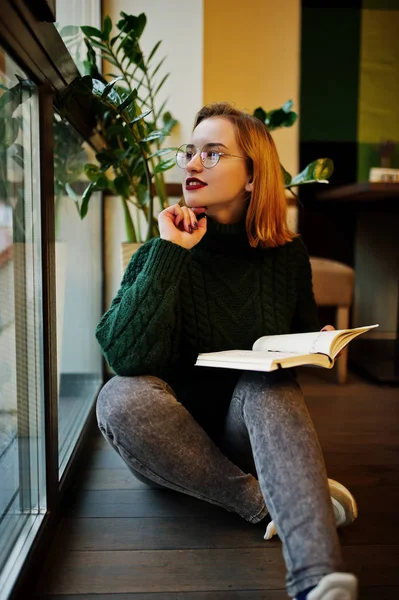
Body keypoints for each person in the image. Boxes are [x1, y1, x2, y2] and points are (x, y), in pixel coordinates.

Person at [95, 103, 358, 600]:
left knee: (272, 382)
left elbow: (297, 338)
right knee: (118, 398)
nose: (192, 164)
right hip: (169, 443)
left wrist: (318, 341)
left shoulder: (286, 256)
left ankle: (318, 580)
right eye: (190, 152)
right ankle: (270, 501)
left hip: (245, 431)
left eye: (212, 154)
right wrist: (171, 252)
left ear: (254, 177)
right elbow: (123, 357)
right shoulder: (160, 252)